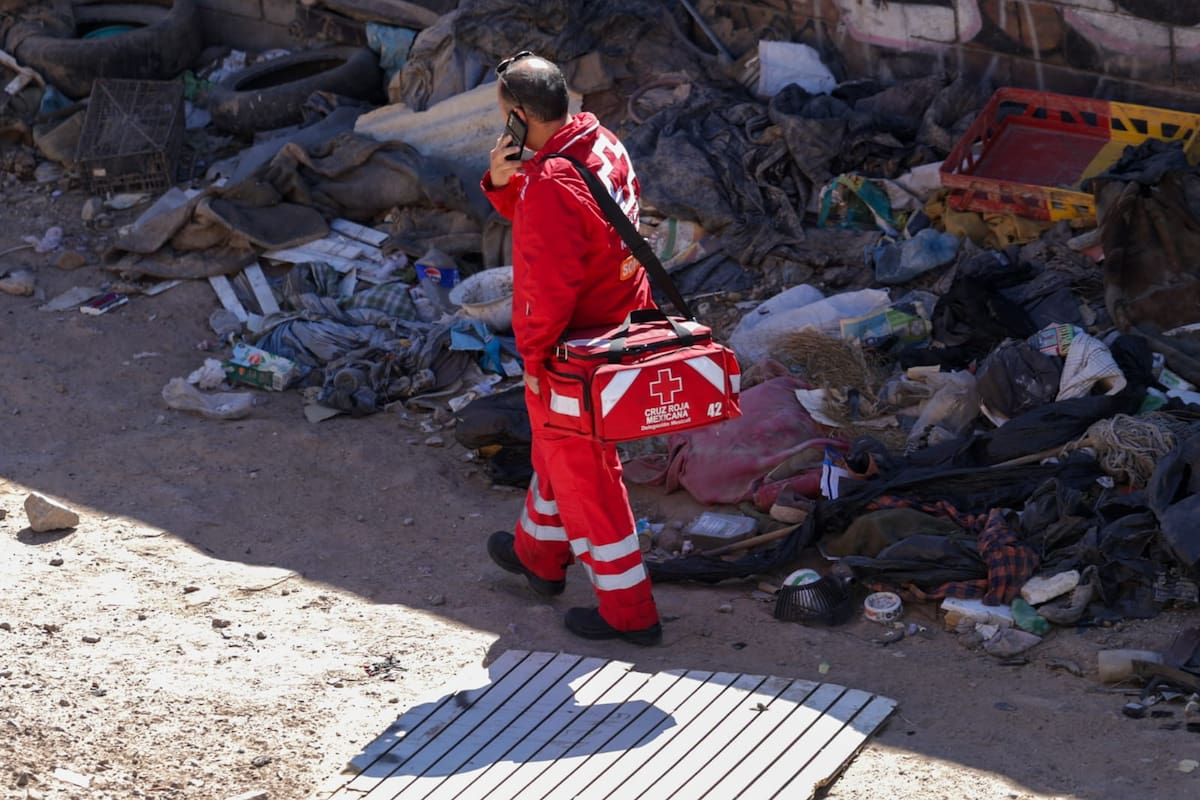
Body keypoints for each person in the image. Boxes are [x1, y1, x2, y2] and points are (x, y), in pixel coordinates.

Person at [481, 51, 662, 646]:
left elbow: (543, 286)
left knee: (587, 476)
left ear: (517, 115)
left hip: (574, 352)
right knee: (560, 458)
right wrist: (508, 183)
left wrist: (533, 361)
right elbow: (571, 226)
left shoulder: (552, 185)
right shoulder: (600, 142)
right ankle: (538, 556)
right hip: (616, 326)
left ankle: (630, 615)